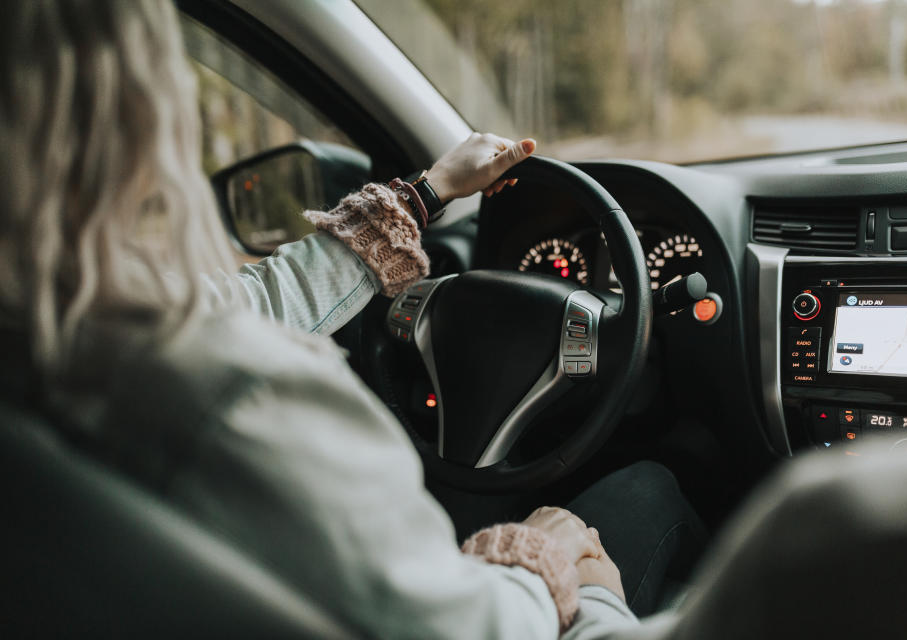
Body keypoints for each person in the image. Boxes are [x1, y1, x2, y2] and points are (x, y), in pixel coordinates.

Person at [0, 1, 703, 637]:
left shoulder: (50, 343)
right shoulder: (236, 395)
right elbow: (471, 629)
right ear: (129, 114)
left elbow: (247, 301)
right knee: (652, 490)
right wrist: (543, 556)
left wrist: (424, 195)